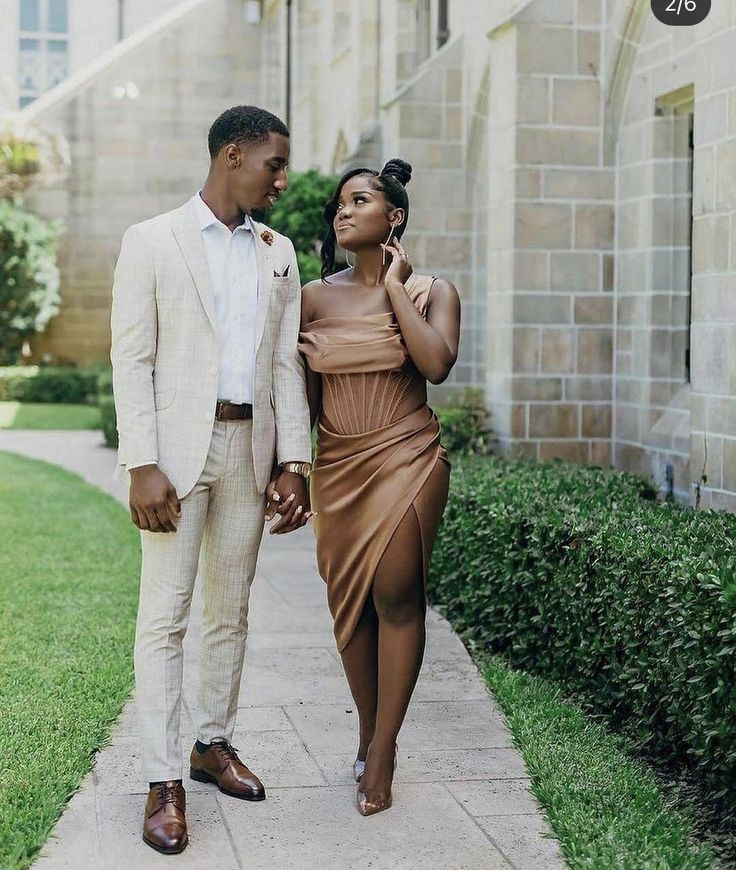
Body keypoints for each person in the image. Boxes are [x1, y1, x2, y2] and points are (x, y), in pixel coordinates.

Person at [110, 104, 313, 854]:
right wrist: (142, 462)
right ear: (234, 155)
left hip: (248, 450)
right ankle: (162, 779)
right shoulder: (153, 241)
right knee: (166, 617)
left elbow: (286, 362)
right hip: (174, 457)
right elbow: (132, 359)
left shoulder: (277, 250)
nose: (283, 180)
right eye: (274, 165)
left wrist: (295, 461)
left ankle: (210, 746)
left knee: (230, 610)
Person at [298, 158, 461, 816]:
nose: (343, 211)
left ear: (393, 216)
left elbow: (437, 364)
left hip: (407, 458)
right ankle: (367, 732)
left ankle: (384, 751)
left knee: (397, 596)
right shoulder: (313, 296)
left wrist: (396, 287)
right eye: (340, 202)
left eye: (359, 200)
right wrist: (291, 470)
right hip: (338, 468)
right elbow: (304, 398)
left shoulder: (432, 290)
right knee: (352, 610)